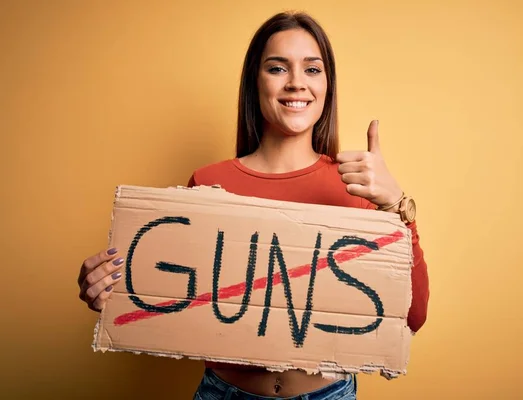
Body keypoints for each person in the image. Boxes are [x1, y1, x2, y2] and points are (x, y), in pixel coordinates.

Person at [77, 11, 430, 400]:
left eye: (312, 69)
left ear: (327, 85)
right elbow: (174, 298)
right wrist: (112, 289)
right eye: (278, 68)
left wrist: (397, 207)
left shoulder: (358, 186)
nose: (296, 82)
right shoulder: (210, 183)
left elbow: (412, 318)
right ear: (254, 83)